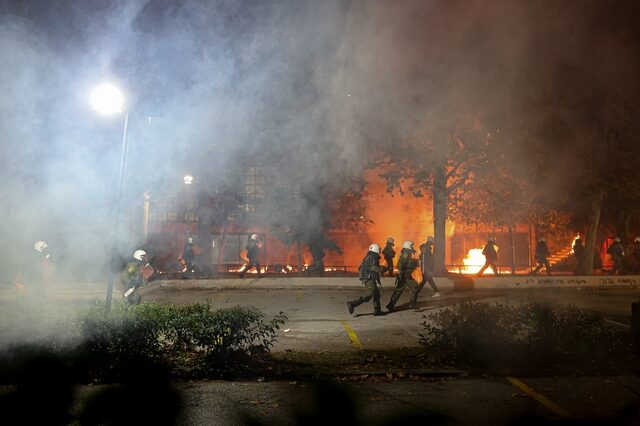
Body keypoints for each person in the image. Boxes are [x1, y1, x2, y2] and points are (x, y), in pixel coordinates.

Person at [347, 243, 385, 316]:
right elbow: (372, 267)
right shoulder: (372, 258)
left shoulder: (370, 257)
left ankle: (377, 311)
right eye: (379, 249)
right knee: (368, 295)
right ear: (375, 249)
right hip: (369, 279)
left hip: (370, 278)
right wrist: (381, 269)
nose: (380, 251)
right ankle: (352, 304)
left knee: (377, 295)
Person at [386, 240, 420, 312]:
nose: (412, 247)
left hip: (405, 275)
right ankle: (412, 304)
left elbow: (407, 263)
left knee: (398, 291)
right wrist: (402, 273)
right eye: (411, 246)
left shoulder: (408, 253)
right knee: (415, 286)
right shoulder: (406, 254)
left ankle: (390, 305)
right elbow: (400, 264)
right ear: (408, 246)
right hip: (405, 276)